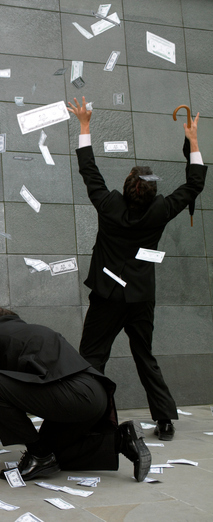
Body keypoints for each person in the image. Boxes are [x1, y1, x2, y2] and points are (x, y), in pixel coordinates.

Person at [68, 97, 207, 441]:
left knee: (91, 358)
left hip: (107, 297)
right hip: (141, 297)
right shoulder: (160, 211)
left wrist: (85, 125)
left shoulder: (109, 205)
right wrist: (193, 141)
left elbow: (90, 171)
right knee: (145, 356)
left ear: (128, 187)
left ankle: (86, 415)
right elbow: (194, 185)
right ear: (152, 193)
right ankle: (164, 420)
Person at [0, 308, 152, 483]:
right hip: (95, 395)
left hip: (72, 395)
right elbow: (22, 389)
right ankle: (122, 439)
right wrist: (3, 424)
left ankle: (38, 457)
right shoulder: (35, 332)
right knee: (52, 454)